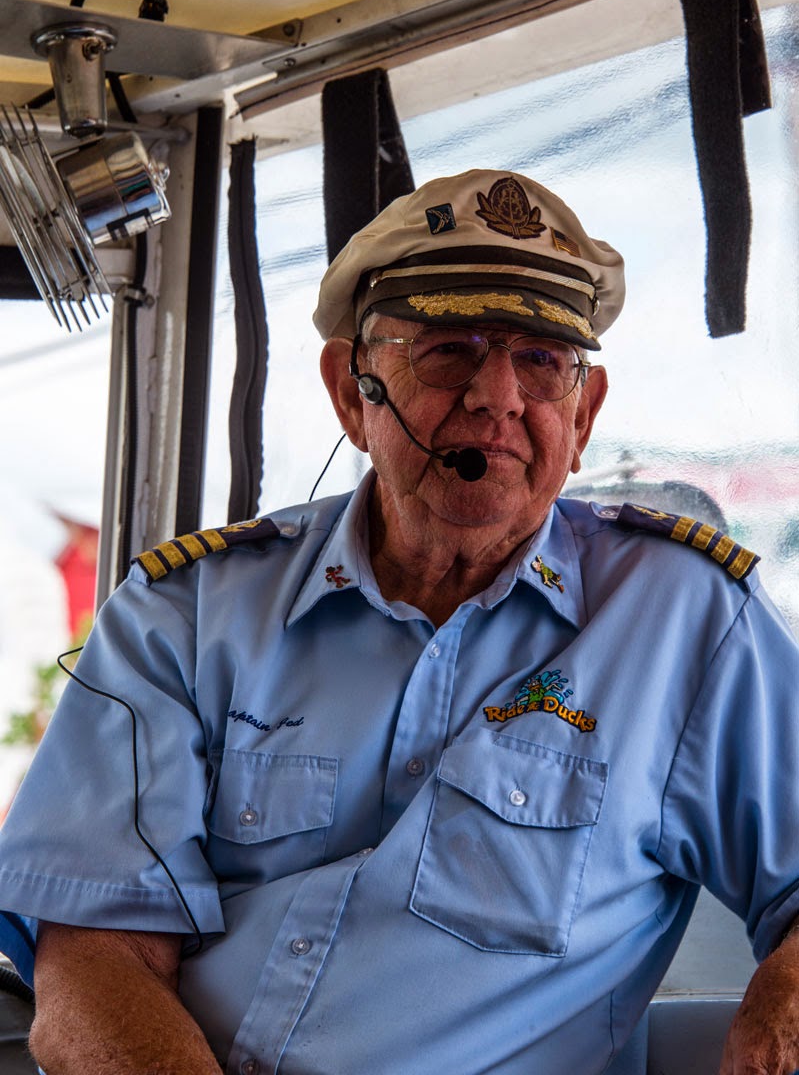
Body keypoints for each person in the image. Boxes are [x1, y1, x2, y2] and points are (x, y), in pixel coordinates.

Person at [0, 168, 797, 1075]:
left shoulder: (687, 624)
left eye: (542, 361)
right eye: (449, 349)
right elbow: (92, 965)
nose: (498, 396)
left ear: (582, 416)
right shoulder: (184, 615)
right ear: (353, 393)